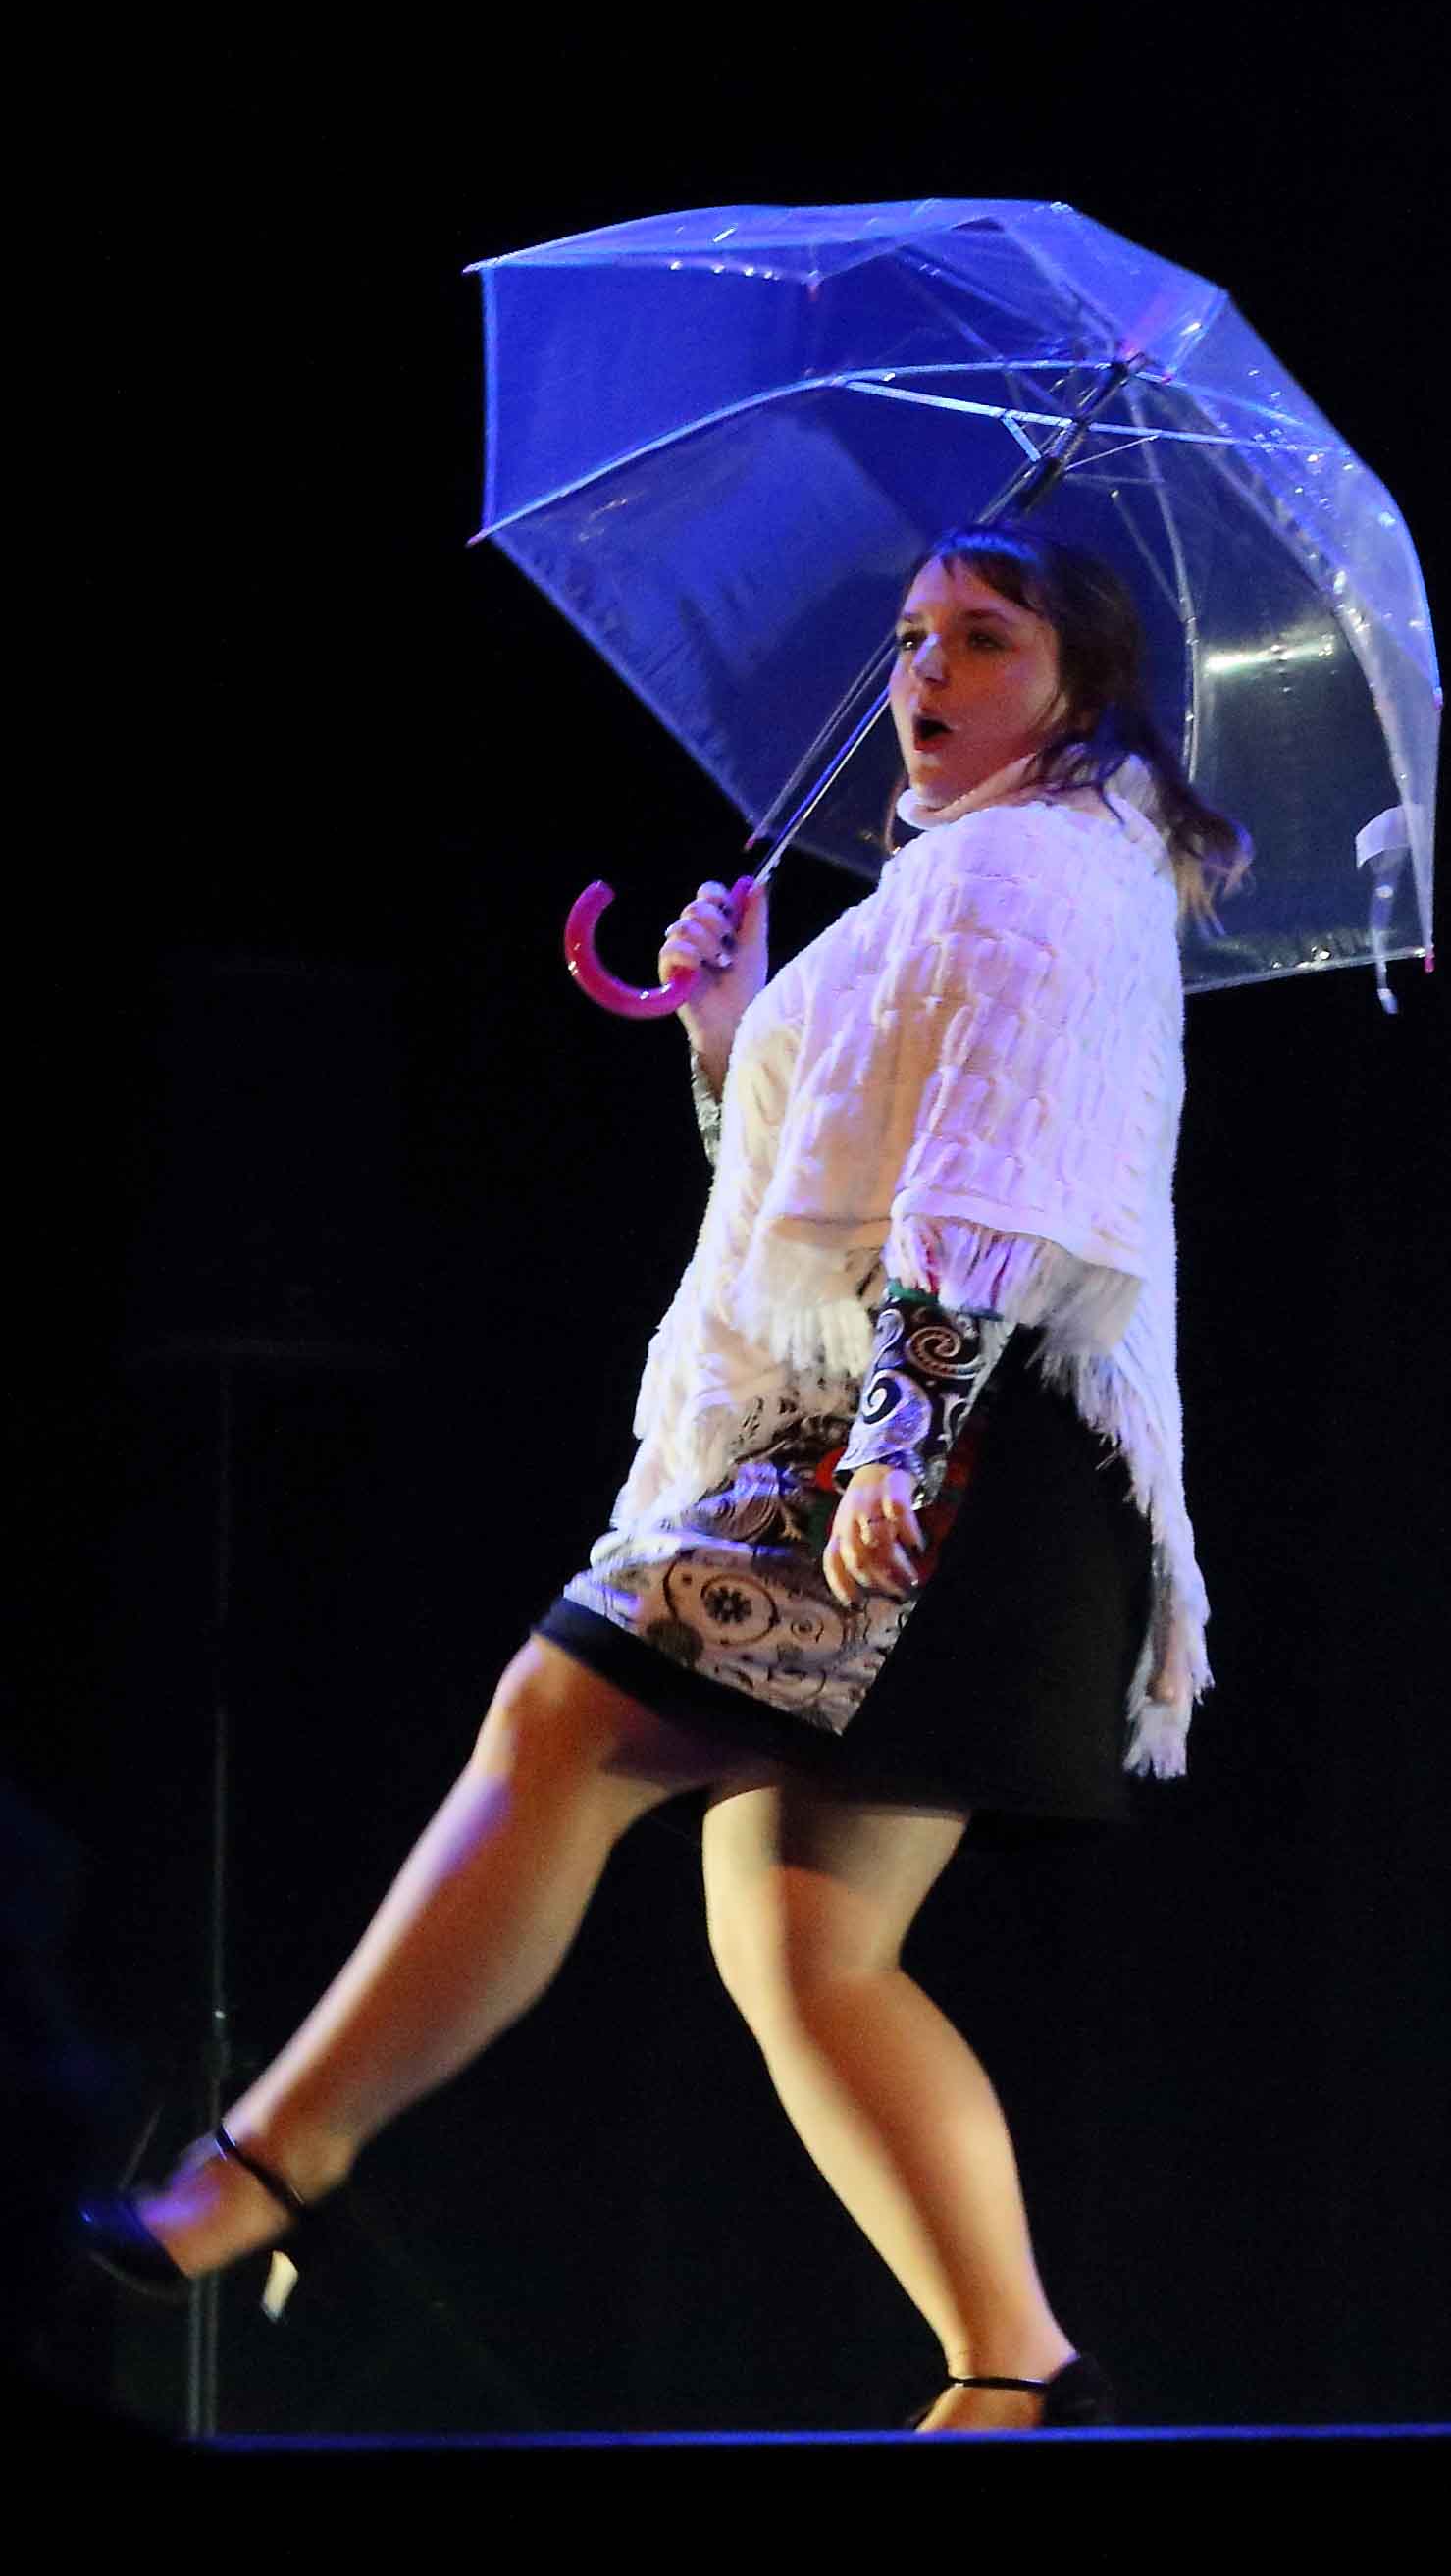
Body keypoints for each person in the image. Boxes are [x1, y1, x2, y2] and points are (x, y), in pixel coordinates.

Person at [77, 521, 1247, 2431]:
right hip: (934, 1454)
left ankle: (266, 2163)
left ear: (1080, 685)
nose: (924, 669)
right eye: (910, 634)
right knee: (801, 1934)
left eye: (982, 636)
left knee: (560, 1718)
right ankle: (1020, 2369)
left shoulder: (1043, 874)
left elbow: (992, 1192)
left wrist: (899, 1441)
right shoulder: (970, 877)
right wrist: (733, 1021)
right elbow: (833, 1186)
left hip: (955, 1467)